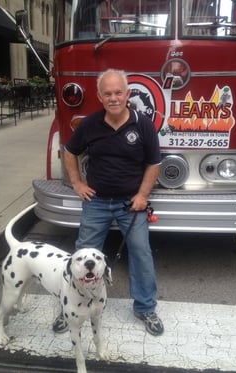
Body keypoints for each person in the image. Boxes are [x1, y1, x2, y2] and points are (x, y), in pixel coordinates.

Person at [53, 68, 164, 336]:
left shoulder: (143, 125)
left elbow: (154, 164)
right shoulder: (90, 124)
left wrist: (142, 196)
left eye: (118, 93)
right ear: (100, 97)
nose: (113, 98)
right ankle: (69, 306)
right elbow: (69, 152)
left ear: (128, 95)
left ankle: (145, 307)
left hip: (131, 204)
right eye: (107, 93)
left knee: (141, 252)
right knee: (81, 256)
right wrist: (78, 183)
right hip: (97, 202)